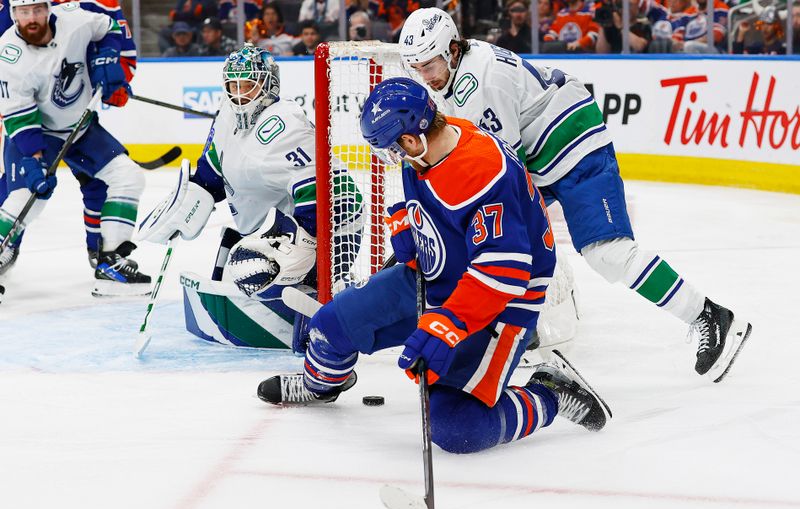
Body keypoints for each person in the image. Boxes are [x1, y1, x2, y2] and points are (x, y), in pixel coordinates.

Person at [257, 78, 610, 455]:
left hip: (499, 303)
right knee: (329, 325)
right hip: (434, 273)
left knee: (457, 428)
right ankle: (321, 386)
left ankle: (549, 394)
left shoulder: (482, 173)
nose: (393, 158)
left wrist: (448, 325)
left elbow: (505, 270)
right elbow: (431, 197)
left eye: (392, 149)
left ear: (410, 140)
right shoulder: (433, 143)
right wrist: (408, 221)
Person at [398, 8, 752, 382]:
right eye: (416, 67)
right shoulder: (457, 73)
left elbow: (499, 168)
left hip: (575, 150)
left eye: (431, 64)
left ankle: (708, 315)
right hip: (539, 156)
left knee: (607, 254)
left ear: (453, 49)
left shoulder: (480, 80)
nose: (425, 76)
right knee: (501, 238)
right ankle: (520, 326)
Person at [138, 44, 363, 350]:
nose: (239, 94)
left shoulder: (286, 124)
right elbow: (212, 174)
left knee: (250, 265)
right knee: (237, 249)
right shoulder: (226, 118)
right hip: (287, 218)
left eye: (248, 85)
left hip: (335, 223)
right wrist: (189, 201)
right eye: (234, 85)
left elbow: (318, 190)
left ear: (268, 84)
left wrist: (304, 245)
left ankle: (317, 300)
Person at [0, 0, 150, 296]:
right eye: (24, 12)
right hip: (41, 132)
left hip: (81, 128)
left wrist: (106, 57)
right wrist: (35, 161)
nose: (32, 18)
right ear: (14, 14)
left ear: (48, 8)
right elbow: (20, 116)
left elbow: (110, 28)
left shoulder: (75, 20)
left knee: (129, 177)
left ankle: (111, 262)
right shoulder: (9, 55)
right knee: (27, 196)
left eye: (37, 10)